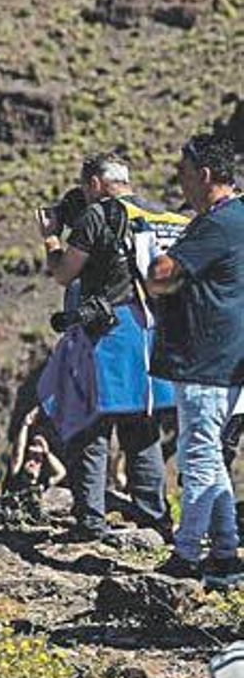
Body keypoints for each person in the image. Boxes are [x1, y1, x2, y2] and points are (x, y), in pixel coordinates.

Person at [39, 153, 171, 538]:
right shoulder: (161, 216)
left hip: (109, 334)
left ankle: (91, 521)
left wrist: (50, 236)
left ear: (95, 183)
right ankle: (153, 520)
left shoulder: (99, 215)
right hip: (154, 333)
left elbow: (64, 273)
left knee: (89, 427)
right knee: (143, 429)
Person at [148, 133, 244, 586]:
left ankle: (187, 555)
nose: (179, 182)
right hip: (224, 356)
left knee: (200, 455)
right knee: (209, 454)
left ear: (205, 175)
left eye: (184, 173)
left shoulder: (216, 224)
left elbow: (161, 275)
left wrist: (155, 267)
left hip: (207, 357)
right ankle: (225, 553)